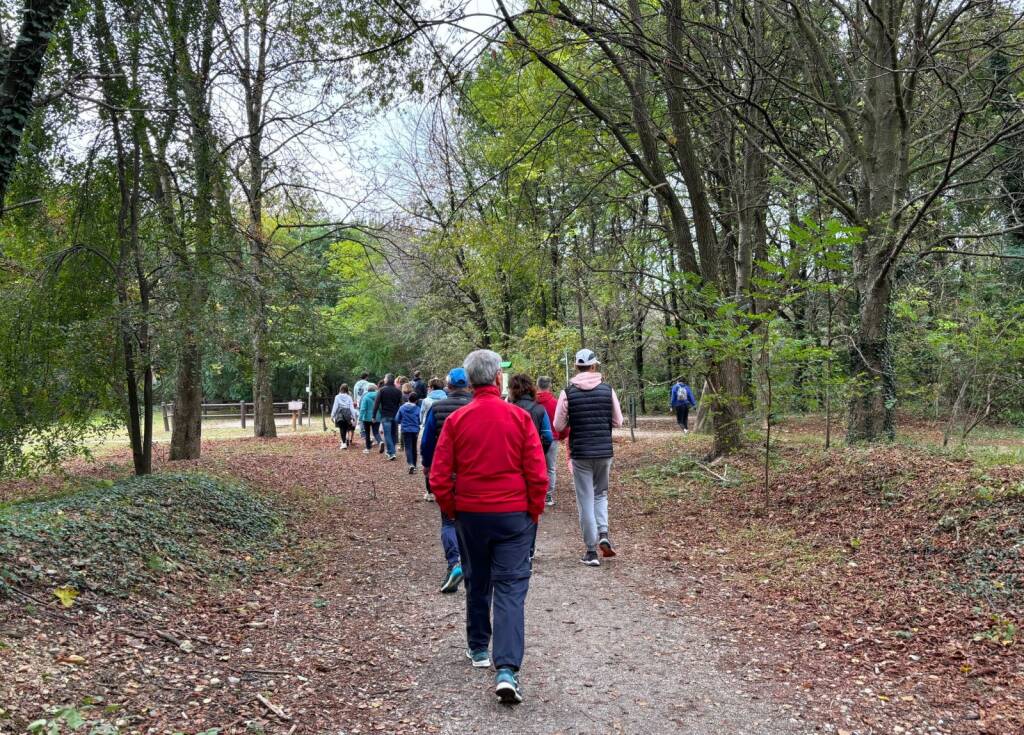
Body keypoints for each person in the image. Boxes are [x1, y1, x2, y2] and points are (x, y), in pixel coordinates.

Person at [430, 350, 548, 705]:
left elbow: (438, 476)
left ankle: (479, 647)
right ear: (497, 379)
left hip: (471, 514)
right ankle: (507, 669)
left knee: (478, 579)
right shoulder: (518, 417)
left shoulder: (457, 421)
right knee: (510, 588)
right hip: (514, 515)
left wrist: (454, 510)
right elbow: (537, 474)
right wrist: (533, 513)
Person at [553, 349, 624, 567]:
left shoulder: (567, 393)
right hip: (604, 452)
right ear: (594, 366)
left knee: (585, 500)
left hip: (581, 453)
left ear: (576, 367)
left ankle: (591, 551)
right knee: (600, 494)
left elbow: (558, 425)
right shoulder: (607, 390)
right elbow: (618, 421)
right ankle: (603, 533)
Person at [421, 368, 473, 585]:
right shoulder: (475, 406)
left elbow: (427, 441)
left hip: (447, 473)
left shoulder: (437, 408)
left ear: (448, 386)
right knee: (472, 520)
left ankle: (454, 563)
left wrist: (427, 465)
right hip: (472, 474)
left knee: (448, 521)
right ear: (468, 385)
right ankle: (473, 563)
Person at [508, 373, 554, 561]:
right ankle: (530, 549)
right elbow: (548, 436)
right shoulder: (539, 409)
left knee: (514, 503)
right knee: (532, 504)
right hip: (534, 462)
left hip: (513, 462)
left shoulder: (509, 409)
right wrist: (540, 452)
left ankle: (514, 544)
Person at [535, 376, 567, 506]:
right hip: (552, 438)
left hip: (534, 439)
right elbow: (563, 422)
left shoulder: (532, 402)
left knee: (535, 466)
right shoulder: (556, 403)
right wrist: (562, 436)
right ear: (549, 386)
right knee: (550, 468)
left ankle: (536, 493)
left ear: (537, 386)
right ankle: (548, 496)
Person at [373, 374, 403, 460]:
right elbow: (401, 404)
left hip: (385, 415)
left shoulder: (381, 390)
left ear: (386, 380)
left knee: (387, 434)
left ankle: (392, 452)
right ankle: (391, 451)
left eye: (385, 378)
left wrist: (373, 415)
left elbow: (376, 404)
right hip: (395, 415)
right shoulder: (398, 391)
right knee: (393, 434)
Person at [397, 393, 421, 474]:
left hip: (405, 430)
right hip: (415, 430)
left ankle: (410, 464)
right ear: (416, 400)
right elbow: (420, 420)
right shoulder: (418, 409)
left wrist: (402, 422)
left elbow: (397, 419)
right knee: (414, 447)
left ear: (408, 399)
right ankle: (414, 465)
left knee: (408, 447)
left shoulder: (402, 408)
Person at [330, 384, 357, 449]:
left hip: (340, 414)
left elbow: (335, 407)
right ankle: (344, 442)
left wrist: (332, 415)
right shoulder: (349, 397)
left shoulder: (337, 397)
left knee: (342, 429)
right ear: (347, 390)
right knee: (345, 428)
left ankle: (344, 443)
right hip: (347, 414)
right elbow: (351, 408)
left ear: (340, 389)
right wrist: (354, 417)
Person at [359, 382, 382, 453]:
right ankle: (380, 442)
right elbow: (380, 407)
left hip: (366, 418)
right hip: (377, 416)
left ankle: (368, 448)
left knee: (367, 433)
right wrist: (381, 414)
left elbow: (363, 408)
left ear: (367, 390)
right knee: (376, 432)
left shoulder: (365, 397)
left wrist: (360, 418)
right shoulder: (378, 396)